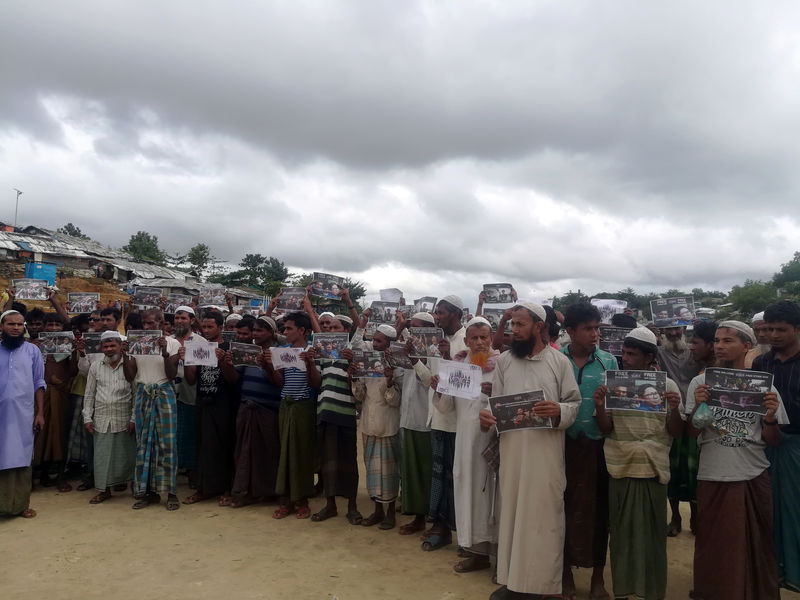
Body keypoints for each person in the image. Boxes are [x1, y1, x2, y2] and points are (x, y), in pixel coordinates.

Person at [478, 301, 580, 599]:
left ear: (539, 326)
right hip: (512, 455)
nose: (514, 330)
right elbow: (493, 403)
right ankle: (513, 583)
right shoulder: (506, 363)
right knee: (511, 516)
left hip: (545, 457)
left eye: (521, 324)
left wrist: (557, 409)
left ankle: (544, 587)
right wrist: (485, 417)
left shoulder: (559, 362)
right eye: (512, 324)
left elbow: (574, 403)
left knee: (544, 520)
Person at [686, 320, 786, 600]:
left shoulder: (765, 387)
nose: (719, 346)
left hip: (752, 474)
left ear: (747, 345)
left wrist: (769, 417)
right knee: (714, 545)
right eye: (717, 340)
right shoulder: (700, 382)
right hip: (712, 474)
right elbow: (691, 431)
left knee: (757, 544)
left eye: (728, 340)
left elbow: (773, 440)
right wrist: (700, 403)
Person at [592, 326, 684, 600]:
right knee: (621, 536)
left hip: (653, 469)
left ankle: (652, 592)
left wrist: (675, 408)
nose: (626, 359)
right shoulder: (614, 385)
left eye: (632, 354)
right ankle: (625, 590)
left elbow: (677, 432)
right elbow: (607, 429)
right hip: (620, 466)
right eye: (624, 353)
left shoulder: (666, 386)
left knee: (653, 537)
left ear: (649, 358)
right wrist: (599, 406)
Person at [431, 317, 500, 574]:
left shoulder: (503, 365)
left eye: (484, 337)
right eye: (475, 338)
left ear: (491, 338)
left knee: (493, 500)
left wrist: (495, 393)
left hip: (493, 443)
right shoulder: (456, 367)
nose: (480, 343)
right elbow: (446, 408)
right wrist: (438, 389)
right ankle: (476, 553)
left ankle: (499, 559)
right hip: (464, 443)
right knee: (467, 495)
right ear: (467, 340)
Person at [560, 302, 617, 600]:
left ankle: (598, 577)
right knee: (562, 510)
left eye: (597, 328)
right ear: (570, 331)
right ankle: (565, 574)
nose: (595, 334)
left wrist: (600, 409)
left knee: (599, 513)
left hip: (597, 448)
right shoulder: (555, 361)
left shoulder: (609, 362)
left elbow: (613, 414)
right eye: (588, 329)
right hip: (561, 447)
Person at [413, 295, 467, 550]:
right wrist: (416, 361)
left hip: (458, 422)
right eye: (437, 313)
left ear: (455, 314)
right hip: (439, 418)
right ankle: (441, 527)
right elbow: (429, 381)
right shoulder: (436, 342)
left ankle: (463, 534)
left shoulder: (468, 339)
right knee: (440, 477)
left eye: (442, 312)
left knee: (456, 478)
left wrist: (448, 358)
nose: (437, 317)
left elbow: (468, 381)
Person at [753, 300, 800, 592]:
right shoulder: (760, 364)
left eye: (780, 329)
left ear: (797, 329)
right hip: (766, 444)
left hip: (796, 447)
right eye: (768, 329)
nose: (773, 335)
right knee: (769, 512)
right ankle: (775, 573)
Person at [124, 308, 182, 510]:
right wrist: (125, 354)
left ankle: (171, 492)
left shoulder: (173, 343)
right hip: (143, 394)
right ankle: (149, 492)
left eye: (151, 323)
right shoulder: (137, 343)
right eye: (144, 323)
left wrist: (165, 353)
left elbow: (172, 374)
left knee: (167, 444)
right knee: (144, 443)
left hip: (164, 394)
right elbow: (130, 376)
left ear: (161, 322)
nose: (147, 327)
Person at [264, 311, 320, 519]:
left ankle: (302, 498)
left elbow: (316, 383)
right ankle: (286, 499)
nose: (285, 332)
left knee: (302, 454)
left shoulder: (311, 351)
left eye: (289, 328)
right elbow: (279, 382)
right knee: (285, 453)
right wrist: (269, 365)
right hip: (285, 405)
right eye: (284, 328)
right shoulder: (282, 351)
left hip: (303, 406)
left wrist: (310, 364)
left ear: (303, 331)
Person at [182, 310, 240, 506]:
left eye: (210, 327)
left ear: (220, 328)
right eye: (204, 327)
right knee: (203, 446)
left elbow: (233, 380)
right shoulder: (197, 348)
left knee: (224, 446)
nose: (206, 331)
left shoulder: (228, 347)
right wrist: (186, 360)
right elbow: (190, 380)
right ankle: (203, 489)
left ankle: (226, 489)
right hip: (203, 400)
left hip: (223, 403)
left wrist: (223, 360)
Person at [311, 315, 361, 525]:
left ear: (347, 330)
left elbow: (359, 387)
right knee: (327, 461)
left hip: (346, 413)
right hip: (325, 411)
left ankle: (352, 506)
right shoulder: (323, 352)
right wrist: (309, 363)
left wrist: (352, 364)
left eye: (335, 326)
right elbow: (316, 382)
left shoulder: (354, 352)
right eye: (328, 326)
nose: (330, 329)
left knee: (349, 462)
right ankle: (330, 505)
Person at [668, 320, 716, 536]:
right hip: (680, 420)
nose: (691, 347)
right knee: (676, 469)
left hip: (706, 431)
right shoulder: (670, 355)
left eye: (696, 342)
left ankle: (696, 516)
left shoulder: (719, 371)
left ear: (710, 345)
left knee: (695, 473)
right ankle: (676, 516)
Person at [228, 315, 282, 508]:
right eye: (254, 330)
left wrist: (268, 366)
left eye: (260, 330)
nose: (256, 334)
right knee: (244, 453)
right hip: (247, 407)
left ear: (271, 333)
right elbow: (234, 378)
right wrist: (225, 363)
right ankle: (246, 492)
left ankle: (268, 492)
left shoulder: (278, 353)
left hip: (267, 410)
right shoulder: (248, 351)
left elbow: (279, 382)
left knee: (266, 453)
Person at [352, 324, 402, 529]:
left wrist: (390, 381)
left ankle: (390, 513)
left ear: (390, 345)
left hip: (388, 424)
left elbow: (395, 401)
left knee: (389, 472)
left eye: (379, 341)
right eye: (374, 340)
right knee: (372, 471)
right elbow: (360, 395)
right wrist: (355, 377)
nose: (375, 344)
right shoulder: (367, 364)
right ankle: (377, 511)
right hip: (368, 423)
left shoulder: (397, 367)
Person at [0, 310, 46, 518]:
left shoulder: (32, 352)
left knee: (23, 456)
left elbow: (39, 383)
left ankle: (20, 505)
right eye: (11, 324)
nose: (16, 328)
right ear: (2, 327)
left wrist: (40, 413)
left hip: (24, 414)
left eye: (20, 324)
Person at [81, 331, 135, 504]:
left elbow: (135, 394)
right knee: (102, 457)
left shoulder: (129, 365)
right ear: (101, 348)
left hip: (124, 417)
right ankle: (103, 490)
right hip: (102, 418)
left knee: (127, 455)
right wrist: (87, 418)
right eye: (106, 346)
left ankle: (133, 486)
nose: (110, 349)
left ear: (120, 346)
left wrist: (133, 418)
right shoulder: (96, 366)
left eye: (113, 346)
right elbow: (89, 394)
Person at [394, 311, 436, 536]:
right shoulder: (410, 352)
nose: (413, 333)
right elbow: (401, 379)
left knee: (425, 471)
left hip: (425, 421)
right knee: (410, 471)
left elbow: (430, 380)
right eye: (412, 328)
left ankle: (427, 518)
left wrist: (415, 360)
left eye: (418, 328)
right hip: (408, 419)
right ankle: (417, 515)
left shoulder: (434, 353)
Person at [32, 313, 78, 491]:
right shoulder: (34, 346)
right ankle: (42, 474)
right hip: (40, 396)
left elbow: (73, 371)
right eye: (49, 324)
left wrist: (74, 353)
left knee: (60, 434)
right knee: (40, 434)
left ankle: (60, 476)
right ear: (43, 327)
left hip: (61, 394)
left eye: (56, 325)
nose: (53, 328)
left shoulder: (66, 345)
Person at [171, 306, 204, 487]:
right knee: (174, 432)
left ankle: (191, 470)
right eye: (177, 318)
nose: (179, 321)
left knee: (190, 432)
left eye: (183, 318)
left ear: (192, 320)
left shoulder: (199, 341)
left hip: (190, 393)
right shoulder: (169, 341)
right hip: (170, 392)